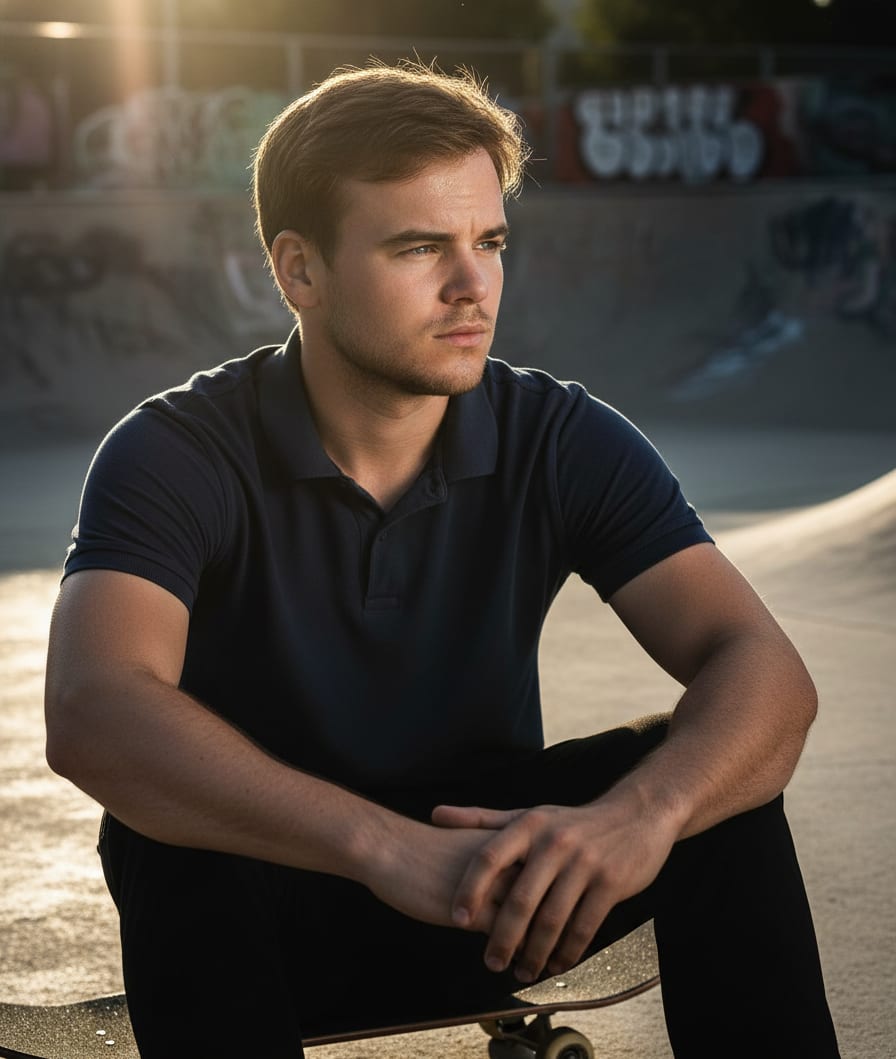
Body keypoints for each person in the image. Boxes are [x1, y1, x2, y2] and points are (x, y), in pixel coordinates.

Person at [44, 63, 840, 1058]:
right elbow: (93, 710)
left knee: (704, 781)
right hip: (264, 928)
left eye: (488, 242)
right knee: (163, 834)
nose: (472, 287)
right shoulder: (176, 451)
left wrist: (644, 814)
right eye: (419, 247)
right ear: (300, 271)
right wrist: (379, 848)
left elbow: (761, 668)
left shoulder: (557, 435)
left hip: (499, 903)